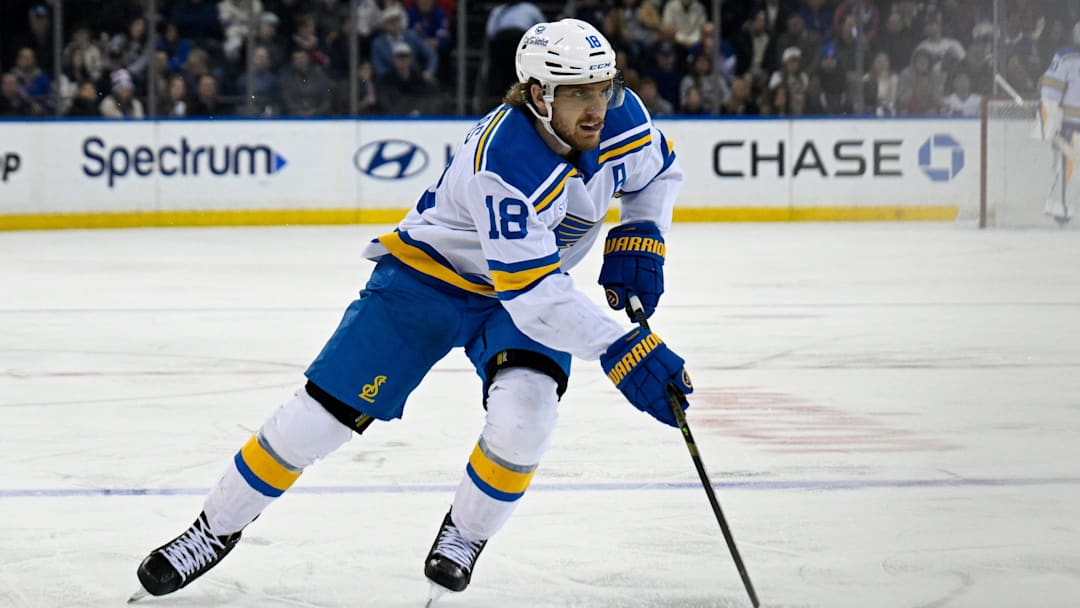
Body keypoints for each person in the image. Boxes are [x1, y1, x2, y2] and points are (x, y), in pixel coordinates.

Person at [130, 17, 692, 603]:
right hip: (429, 282)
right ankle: (210, 530)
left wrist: (642, 231)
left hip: (528, 288)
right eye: (577, 93)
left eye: (603, 87)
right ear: (536, 95)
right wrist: (619, 346)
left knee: (527, 420)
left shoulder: (624, 117)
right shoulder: (503, 160)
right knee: (315, 421)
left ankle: (465, 535)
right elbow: (534, 300)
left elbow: (659, 173)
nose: (597, 107)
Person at [1039, 22, 1080, 224]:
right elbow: (1050, 89)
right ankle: (1059, 208)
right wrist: (1050, 120)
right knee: (1068, 167)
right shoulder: (1066, 58)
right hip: (1071, 125)